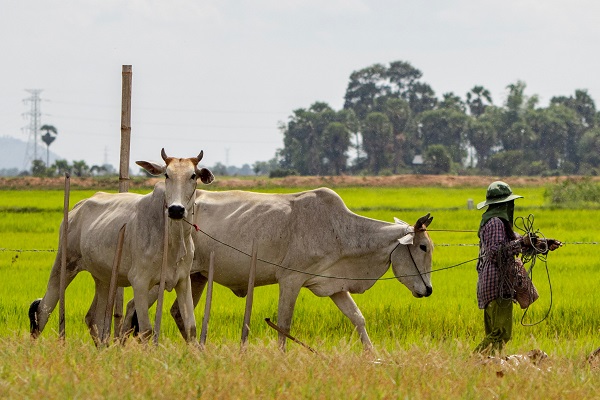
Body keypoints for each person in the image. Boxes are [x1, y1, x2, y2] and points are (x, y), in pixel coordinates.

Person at [474, 181, 560, 355]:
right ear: (504, 205)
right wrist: (522, 242)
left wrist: (543, 244)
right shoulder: (495, 223)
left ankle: (486, 366)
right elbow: (495, 252)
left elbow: (520, 243)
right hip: (497, 285)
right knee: (501, 333)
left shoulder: (499, 224)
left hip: (495, 285)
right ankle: (474, 363)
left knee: (496, 334)